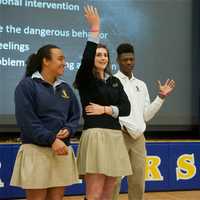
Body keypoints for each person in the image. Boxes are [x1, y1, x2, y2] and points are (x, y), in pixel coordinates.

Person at [74, 6, 132, 200]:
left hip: (115, 137)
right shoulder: (85, 79)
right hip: (96, 136)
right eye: (99, 55)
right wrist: (95, 28)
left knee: (109, 190)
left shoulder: (114, 81)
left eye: (105, 55)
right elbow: (87, 56)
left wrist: (106, 109)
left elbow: (126, 108)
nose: (102, 58)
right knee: (95, 192)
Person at [10, 44, 80, 200]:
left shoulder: (65, 88)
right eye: (60, 59)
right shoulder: (27, 85)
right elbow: (27, 121)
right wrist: (52, 139)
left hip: (61, 151)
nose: (64, 63)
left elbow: (75, 115)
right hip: (36, 151)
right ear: (46, 61)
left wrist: (69, 129)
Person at [112, 43, 176, 200]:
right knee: (114, 182)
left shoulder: (141, 85)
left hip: (139, 138)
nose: (128, 62)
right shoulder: (111, 82)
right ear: (118, 61)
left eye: (131, 59)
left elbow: (146, 116)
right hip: (118, 136)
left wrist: (160, 97)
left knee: (138, 182)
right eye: (125, 59)